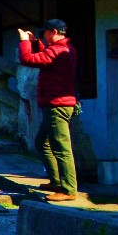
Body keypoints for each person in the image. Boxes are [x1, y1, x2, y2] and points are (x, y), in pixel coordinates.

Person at [18, 19, 79, 201]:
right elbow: (46, 56)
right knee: (42, 143)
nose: (44, 35)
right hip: (57, 104)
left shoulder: (58, 50)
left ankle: (68, 190)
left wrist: (24, 42)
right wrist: (36, 43)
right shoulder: (65, 48)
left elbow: (28, 59)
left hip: (57, 106)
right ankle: (56, 181)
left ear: (53, 32)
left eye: (45, 32)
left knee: (61, 148)